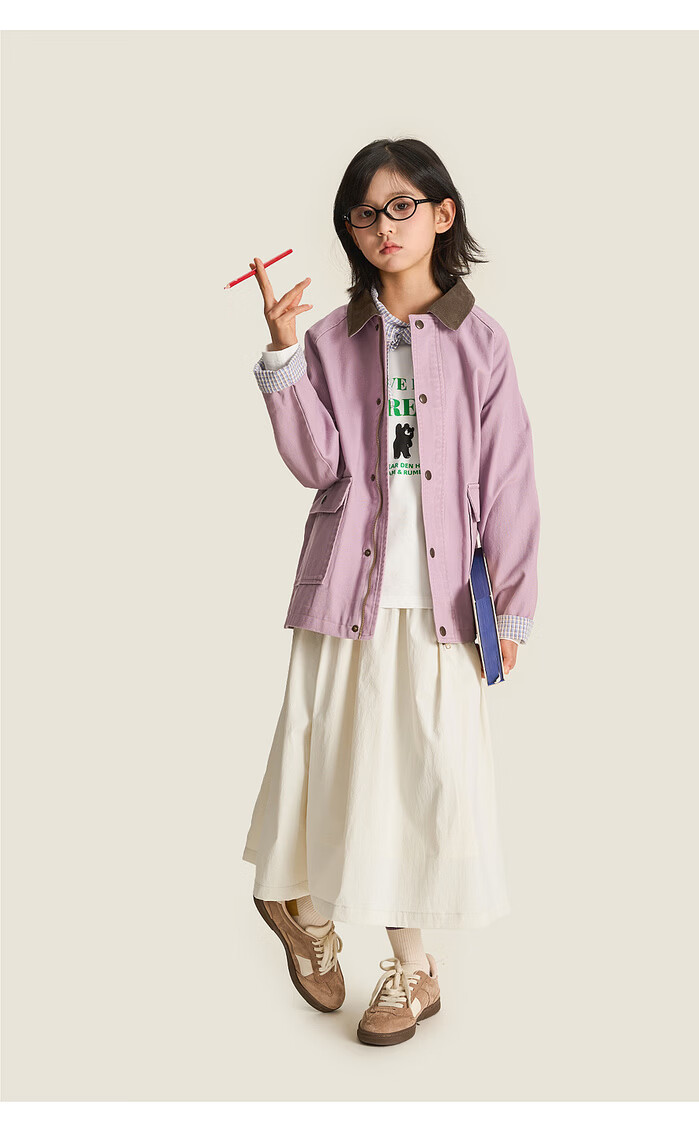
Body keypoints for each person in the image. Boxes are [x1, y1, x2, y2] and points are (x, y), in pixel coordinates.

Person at [241, 137, 541, 1047]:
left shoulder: (481, 341)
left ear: (443, 214)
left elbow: (509, 482)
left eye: (402, 205)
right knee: (338, 770)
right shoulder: (333, 338)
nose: (384, 226)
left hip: (446, 605)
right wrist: (285, 353)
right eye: (365, 213)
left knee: (425, 781)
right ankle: (399, 965)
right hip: (348, 594)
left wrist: (513, 607)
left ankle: (314, 915)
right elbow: (318, 465)